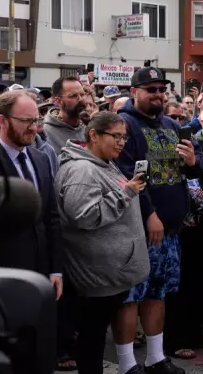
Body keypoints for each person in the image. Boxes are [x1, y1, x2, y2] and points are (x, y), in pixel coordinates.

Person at [113, 67, 200, 374]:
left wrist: (193, 162)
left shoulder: (171, 124)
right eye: (150, 89)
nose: (158, 94)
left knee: (158, 293)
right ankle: (126, 364)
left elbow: (190, 170)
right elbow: (127, 174)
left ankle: (155, 357)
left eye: (161, 88)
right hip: (138, 229)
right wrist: (149, 214)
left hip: (172, 228)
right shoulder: (124, 123)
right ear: (133, 91)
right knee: (131, 296)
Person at [56, 112, 150, 374]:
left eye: (124, 137)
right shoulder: (82, 170)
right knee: (91, 343)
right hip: (95, 277)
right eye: (115, 136)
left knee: (94, 341)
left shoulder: (103, 161)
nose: (121, 143)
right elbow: (84, 216)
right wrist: (127, 192)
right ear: (94, 135)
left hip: (108, 275)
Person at [0, 90, 63, 291]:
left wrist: (55, 269)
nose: (34, 128)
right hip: (3, 277)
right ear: (2, 120)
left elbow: (51, 217)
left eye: (36, 120)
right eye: (26, 121)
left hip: (42, 273)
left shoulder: (41, 159)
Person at [44, 76, 87, 154]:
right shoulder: (46, 133)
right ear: (58, 101)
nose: (80, 99)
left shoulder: (89, 127)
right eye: (73, 96)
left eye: (82, 94)